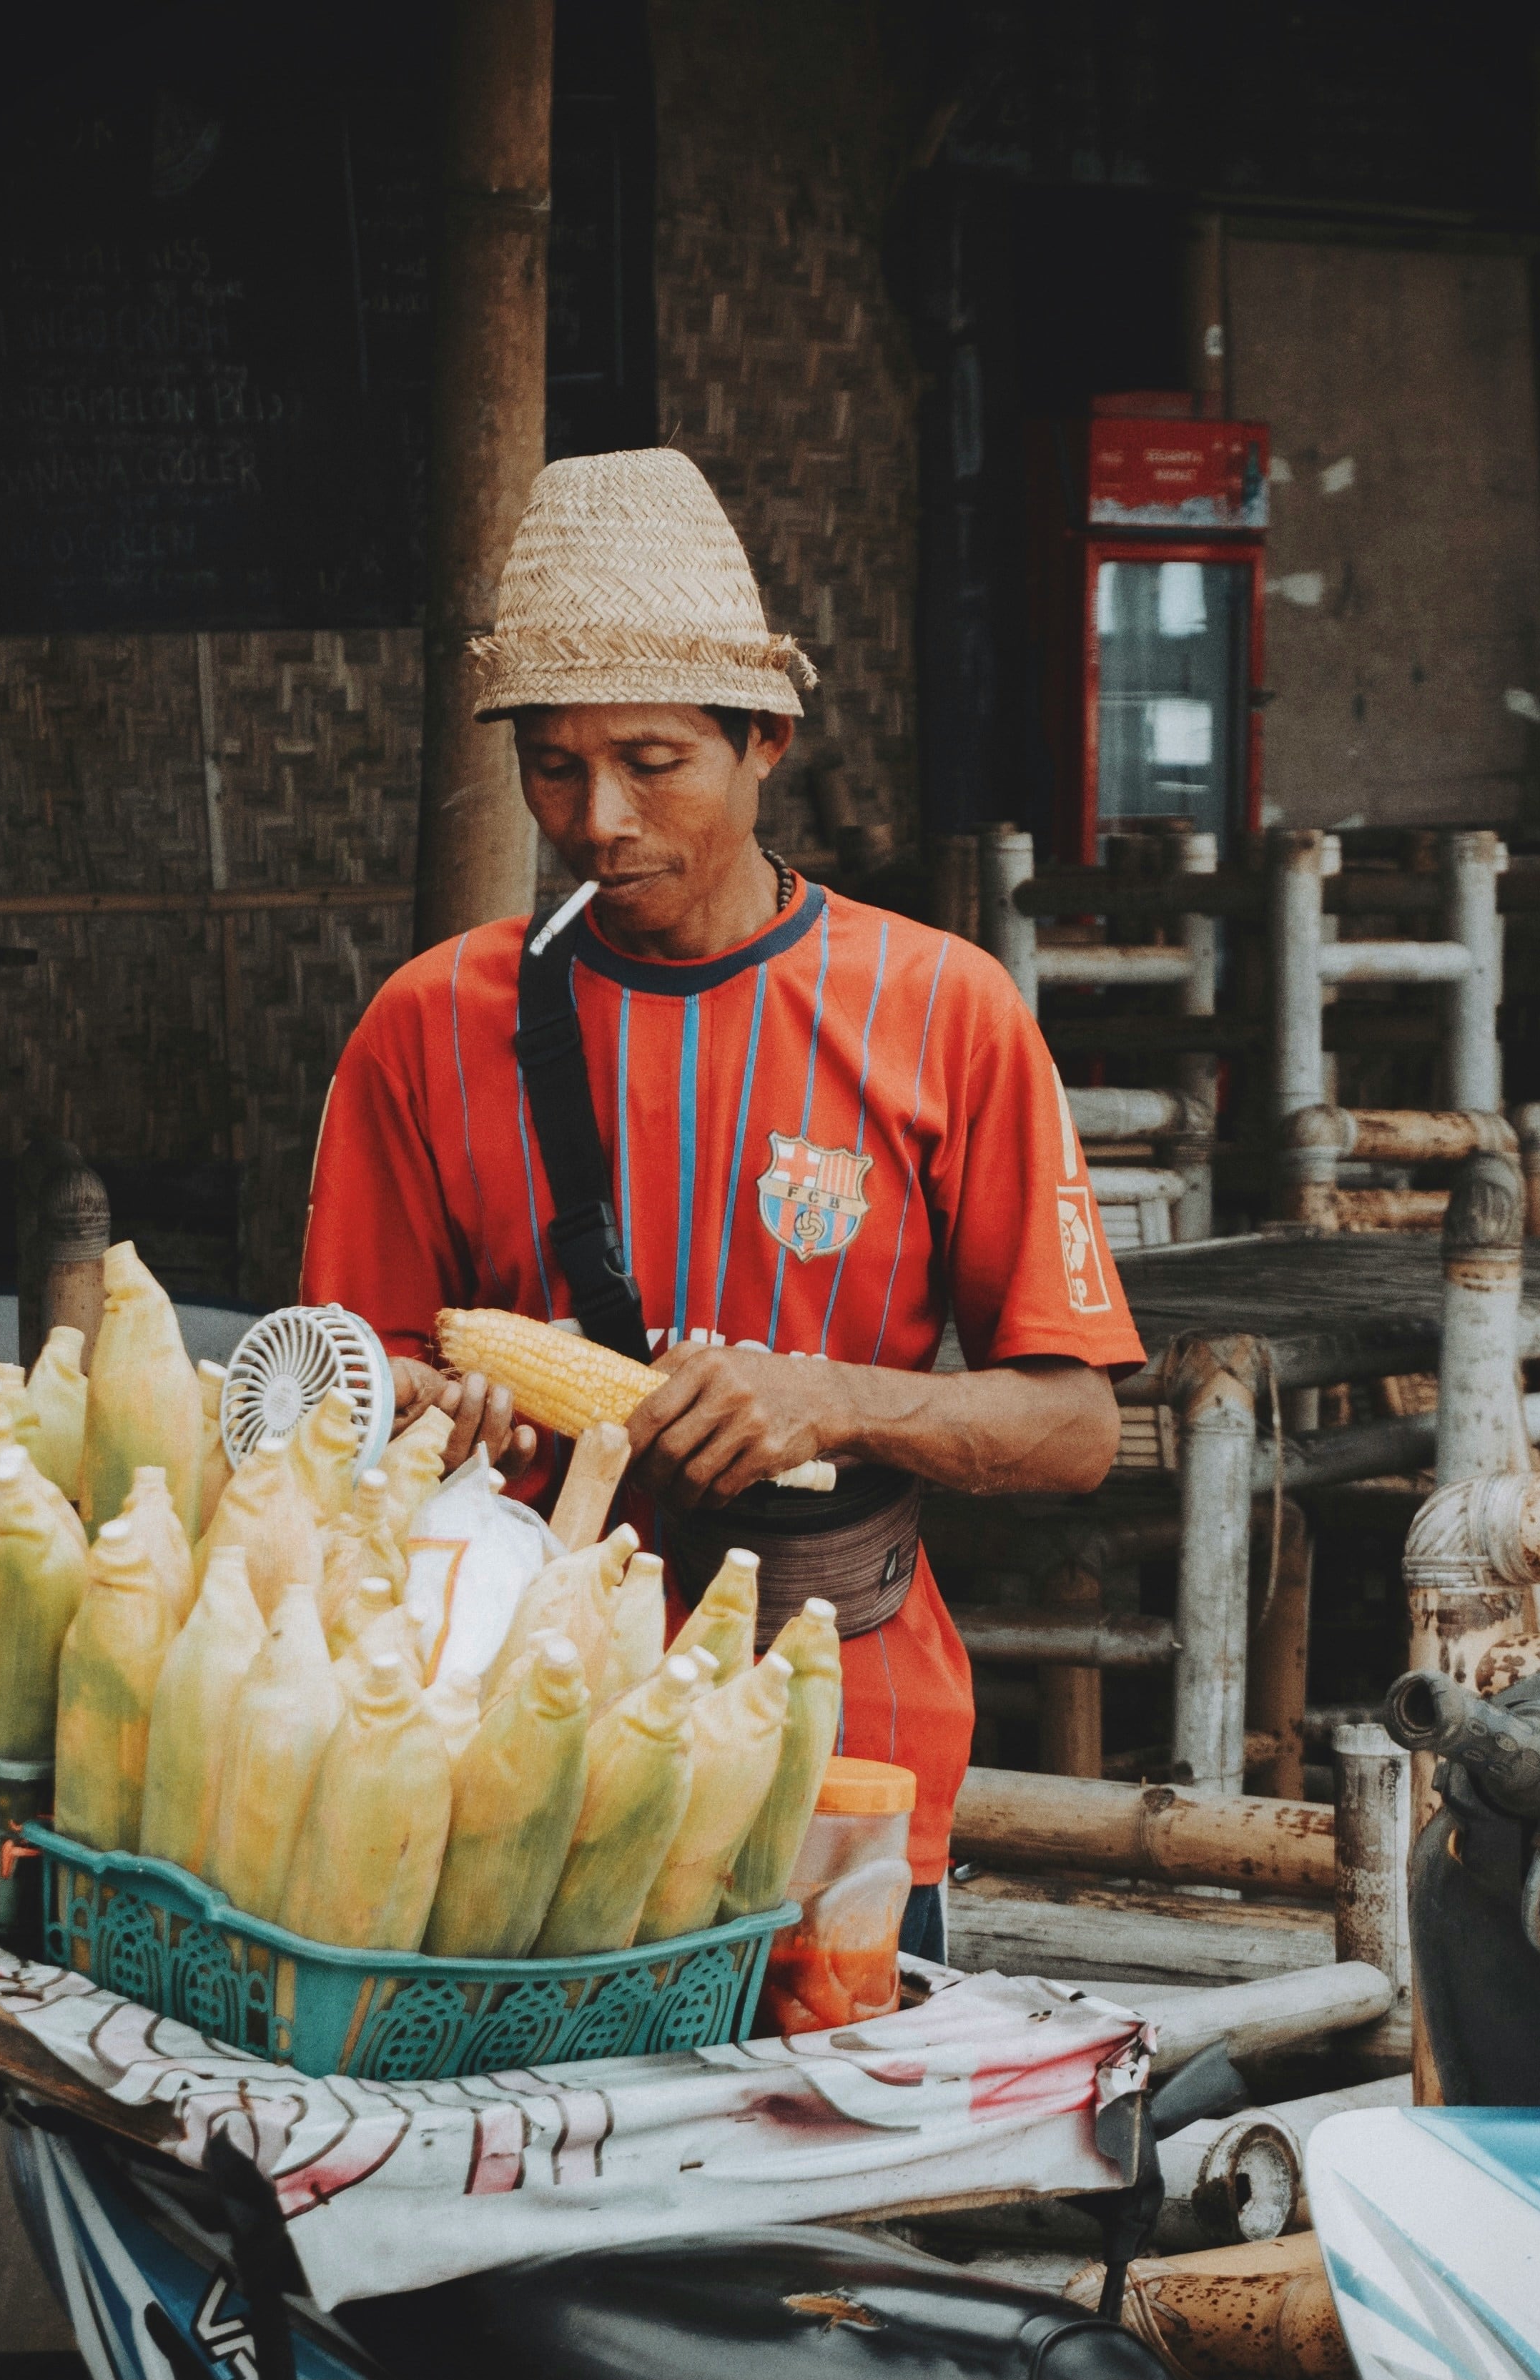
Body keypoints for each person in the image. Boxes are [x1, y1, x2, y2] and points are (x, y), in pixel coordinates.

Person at [300, 448, 1141, 1961]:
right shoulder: (427, 1027)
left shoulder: (941, 1010)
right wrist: (427, 1408)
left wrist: (834, 1401)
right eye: (552, 766)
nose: (598, 816)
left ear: (766, 741)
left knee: (811, 2175)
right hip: (492, 1748)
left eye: (653, 760)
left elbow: (1075, 1430)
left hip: (835, 1749)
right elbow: (339, 1400)